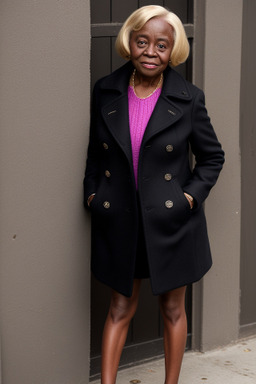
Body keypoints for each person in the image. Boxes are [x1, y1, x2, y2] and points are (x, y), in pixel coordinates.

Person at [83, 5, 225, 384]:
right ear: (128, 41)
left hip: (171, 222)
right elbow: (96, 153)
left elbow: (212, 158)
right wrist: (94, 194)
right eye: (142, 41)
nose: (150, 51)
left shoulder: (189, 98)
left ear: (173, 50)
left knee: (173, 309)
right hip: (121, 220)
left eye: (161, 45)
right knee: (119, 307)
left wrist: (188, 198)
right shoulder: (106, 91)